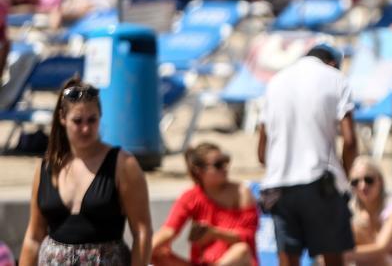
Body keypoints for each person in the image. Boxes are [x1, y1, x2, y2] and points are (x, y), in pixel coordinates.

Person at [20, 78, 152, 265]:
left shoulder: (123, 164)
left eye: (92, 120)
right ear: (62, 118)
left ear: (100, 117)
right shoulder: (47, 167)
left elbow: (142, 232)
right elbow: (33, 237)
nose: (85, 128)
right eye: (77, 121)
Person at [258, 44, 358, 266]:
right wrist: (346, 175)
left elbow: (262, 153)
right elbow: (350, 141)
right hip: (320, 181)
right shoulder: (335, 79)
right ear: (332, 63)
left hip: (278, 185)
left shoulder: (275, 82)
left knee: (288, 259)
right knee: (333, 257)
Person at [151, 142, 258, 266]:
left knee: (241, 250)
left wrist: (214, 233)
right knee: (158, 253)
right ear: (199, 171)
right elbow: (169, 230)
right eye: (218, 165)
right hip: (202, 263)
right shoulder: (191, 197)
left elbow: (248, 237)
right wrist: (143, 252)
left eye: (226, 162)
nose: (225, 168)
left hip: (235, 262)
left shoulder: (241, 192)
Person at [347, 156, 392, 265]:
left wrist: (340, 255)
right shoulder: (351, 210)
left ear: (380, 181)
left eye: (369, 180)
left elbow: (381, 249)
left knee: (379, 259)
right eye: (355, 182)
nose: (363, 186)